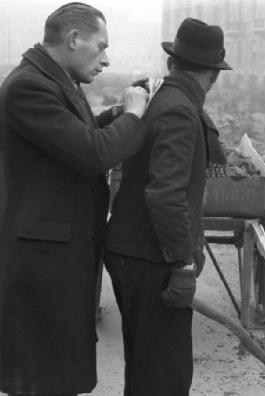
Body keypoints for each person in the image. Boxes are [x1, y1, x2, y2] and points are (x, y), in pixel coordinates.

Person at [0, 2, 149, 395]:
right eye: (100, 47)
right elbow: (92, 153)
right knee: (43, 376)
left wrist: (115, 113)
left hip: (54, 253)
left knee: (56, 372)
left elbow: (74, 137)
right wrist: (133, 117)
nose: (106, 59)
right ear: (73, 39)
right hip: (42, 260)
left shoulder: (53, 81)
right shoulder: (28, 87)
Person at [102, 18, 231, 396]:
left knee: (147, 371)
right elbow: (166, 194)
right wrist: (183, 263)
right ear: (214, 74)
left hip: (134, 253)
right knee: (163, 379)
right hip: (150, 259)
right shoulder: (180, 109)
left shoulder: (163, 97)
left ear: (174, 63)